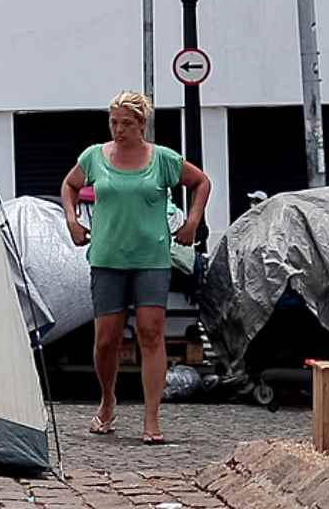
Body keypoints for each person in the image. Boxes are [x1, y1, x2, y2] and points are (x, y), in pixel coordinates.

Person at [60, 90, 210, 445]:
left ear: (142, 124)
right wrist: (72, 220)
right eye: (114, 122)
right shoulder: (94, 157)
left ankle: (151, 417)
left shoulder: (163, 159)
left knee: (151, 333)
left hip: (151, 260)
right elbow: (69, 185)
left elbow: (201, 182)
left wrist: (191, 222)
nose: (119, 129)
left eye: (126, 123)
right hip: (107, 259)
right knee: (106, 339)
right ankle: (107, 401)